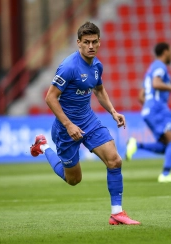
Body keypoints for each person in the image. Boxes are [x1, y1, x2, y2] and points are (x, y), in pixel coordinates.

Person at [30, 22, 140, 225]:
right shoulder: (69, 67)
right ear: (78, 43)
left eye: (94, 42)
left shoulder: (97, 65)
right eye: (86, 42)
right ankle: (43, 146)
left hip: (89, 121)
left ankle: (117, 213)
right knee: (73, 180)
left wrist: (113, 112)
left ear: (99, 42)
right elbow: (50, 98)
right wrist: (69, 125)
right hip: (66, 128)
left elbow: (98, 90)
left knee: (114, 160)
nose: (91, 46)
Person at [125, 42, 171, 183]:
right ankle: (165, 174)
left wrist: (149, 106)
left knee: (167, 146)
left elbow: (141, 95)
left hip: (149, 109)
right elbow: (156, 84)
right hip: (158, 108)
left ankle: (136, 144)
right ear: (165, 52)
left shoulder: (151, 69)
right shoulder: (160, 66)